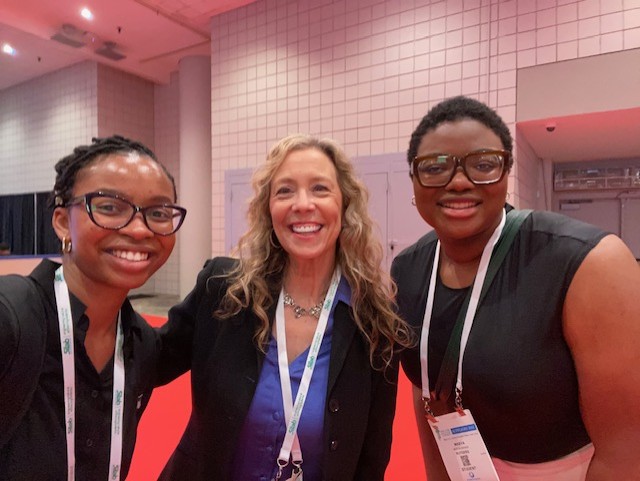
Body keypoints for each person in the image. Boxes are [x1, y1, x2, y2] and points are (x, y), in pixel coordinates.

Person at [391, 96, 640, 480]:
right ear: (414, 179)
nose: (459, 181)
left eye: (483, 164)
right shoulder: (406, 269)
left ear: (506, 173)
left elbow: (627, 448)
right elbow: (426, 388)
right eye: (436, 167)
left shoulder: (587, 263)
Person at [156, 133, 412, 480]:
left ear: (344, 204)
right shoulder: (224, 291)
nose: (302, 204)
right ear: (269, 209)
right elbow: (143, 361)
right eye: (285, 190)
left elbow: (372, 455)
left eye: (320, 189)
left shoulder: (374, 322)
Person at [0, 135, 187, 480]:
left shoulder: (141, 346)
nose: (138, 229)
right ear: (61, 222)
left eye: (158, 213)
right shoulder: (10, 317)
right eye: (109, 207)